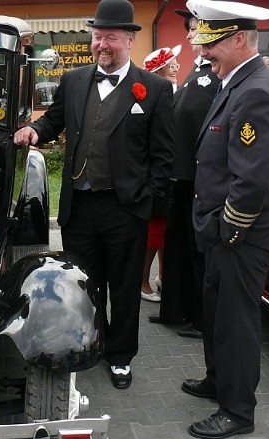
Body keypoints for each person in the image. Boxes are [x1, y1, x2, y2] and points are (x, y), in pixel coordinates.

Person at [13, 0, 174, 389]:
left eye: (111, 38)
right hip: (79, 206)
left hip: (125, 208)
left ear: (130, 40)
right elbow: (54, 118)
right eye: (97, 36)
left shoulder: (153, 89)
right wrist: (36, 131)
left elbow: (164, 156)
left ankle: (120, 356)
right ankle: (88, 345)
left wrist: (147, 203)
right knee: (85, 284)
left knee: (123, 286)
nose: (102, 44)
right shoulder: (75, 80)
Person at [182, 0, 269, 439]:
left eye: (212, 44)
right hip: (223, 228)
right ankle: (219, 381)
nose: (204, 53)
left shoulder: (257, 89)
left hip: (241, 231)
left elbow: (252, 178)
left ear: (240, 39)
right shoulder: (236, 80)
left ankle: (238, 411)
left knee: (237, 321)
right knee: (218, 312)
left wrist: (229, 229)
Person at [147, 9, 220, 340]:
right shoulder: (197, 69)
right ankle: (174, 309)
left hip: (197, 177)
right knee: (174, 246)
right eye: (189, 30)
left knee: (195, 251)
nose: (189, 35)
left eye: (193, 29)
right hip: (180, 175)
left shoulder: (217, 73)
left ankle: (199, 317)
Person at [140, 44, 182, 303]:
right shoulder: (153, 95)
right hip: (158, 173)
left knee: (167, 233)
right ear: (159, 69)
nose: (176, 66)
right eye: (171, 64)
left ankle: (164, 277)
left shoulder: (180, 90)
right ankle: (142, 281)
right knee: (154, 234)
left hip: (176, 170)